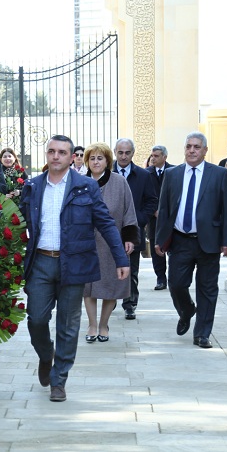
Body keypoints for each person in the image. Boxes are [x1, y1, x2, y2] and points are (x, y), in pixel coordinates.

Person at [20, 135, 130, 402]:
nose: (56, 156)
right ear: (46, 155)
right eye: (51, 151)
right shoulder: (32, 187)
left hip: (75, 263)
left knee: (68, 325)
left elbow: (105, 223)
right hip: (41, 263)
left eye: (62, 152)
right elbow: (17, 223)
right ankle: (47, 356)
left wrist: (121, 259)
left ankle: (59, 380)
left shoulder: (85, 187)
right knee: (36, 319)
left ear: (72, 158)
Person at [155, 131, 227, 349]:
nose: (191, 150)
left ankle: (202, 333)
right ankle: (187, 310)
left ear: (205, 150)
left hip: (209, 241)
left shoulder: (218, 174)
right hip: (180, 241)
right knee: (176, 284)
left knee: (207, 289)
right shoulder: (172, 174)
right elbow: (165, 208)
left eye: (196, 147)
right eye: (188, 146)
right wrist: (160, 239)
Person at [82, 143, 138, 343]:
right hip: (86, 243)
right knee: (87, 287)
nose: (96, 162)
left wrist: (130, 237)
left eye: (100, 158)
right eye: (92, 158)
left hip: (112, 244)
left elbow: (128, 211)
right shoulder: (79, 182)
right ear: (87, 161)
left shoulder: (119, 182)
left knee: (111, 285)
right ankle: (92, 324)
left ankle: (104, 324)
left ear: (107, 161)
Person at [114, 137, 158, 320]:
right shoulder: (105, 173)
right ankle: (108, 300)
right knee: (109, 269)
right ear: (115, 152)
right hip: (109, 230)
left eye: (127, 152)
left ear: (133, 153)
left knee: (131, 269)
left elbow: (151, 201)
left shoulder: (143, 175)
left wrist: (139, 219)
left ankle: (130, 303)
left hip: (133, 230)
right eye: (120, 152)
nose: (124, 156)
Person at [145, 145, 173, 290]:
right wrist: (153, 211)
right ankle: (161, 278)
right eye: (152, 155)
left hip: (172, 219)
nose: (153, 158)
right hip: (154, 219)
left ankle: (174, 277)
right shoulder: (146, 173)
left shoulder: (174, 171)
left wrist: (167, 211)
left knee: (173, 248)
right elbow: (144, 196)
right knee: (157, 249)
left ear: (164, 157)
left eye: (156, 156)